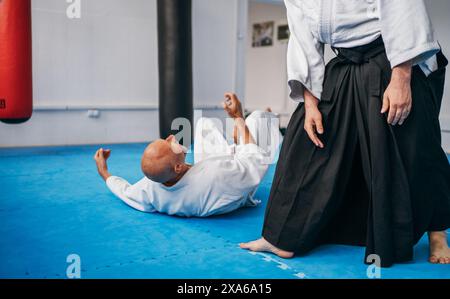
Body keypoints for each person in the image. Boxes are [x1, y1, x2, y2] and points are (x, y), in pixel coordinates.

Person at [241, 0, 450, 266]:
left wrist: (401, 77)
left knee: (415, 145)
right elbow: (302, 34)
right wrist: (310, 101)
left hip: (395, 55)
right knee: (308, 139)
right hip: (345, 61)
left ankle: (438, 232)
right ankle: (282, 236)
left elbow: (402, 7)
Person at [94, 93, 282, 217]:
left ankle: (236, 143)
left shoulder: (152, 188)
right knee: (259, 118)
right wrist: (238, 118)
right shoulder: (215, 176)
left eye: (164, 139)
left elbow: (125, 191)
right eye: (169, 144)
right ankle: (249, 132)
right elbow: (255, 161)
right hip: (237, 188)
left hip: (211, 171)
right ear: (177, 167)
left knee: (204, 124)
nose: (170, 137)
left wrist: (104, 172)